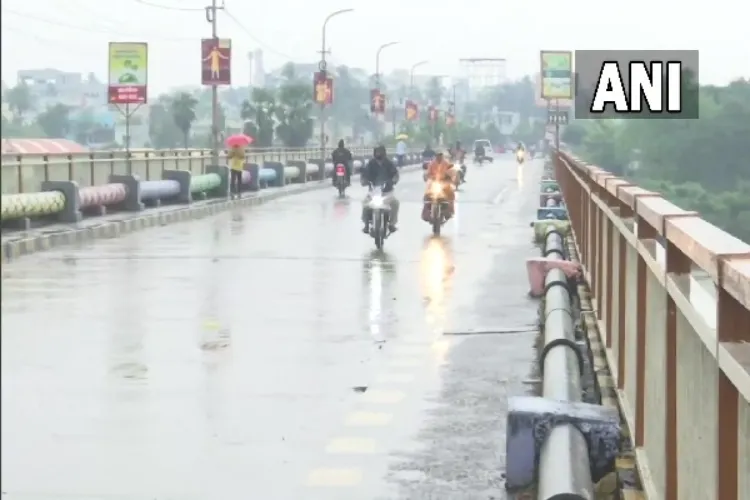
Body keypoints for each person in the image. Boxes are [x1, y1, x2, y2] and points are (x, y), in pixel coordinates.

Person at [361, 145, 400, 233]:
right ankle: (366, 224)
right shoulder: (371, 164)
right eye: (377, 152)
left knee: (395, 203)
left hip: (387, 192)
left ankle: (392, 224)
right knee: (364, 203)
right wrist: (364, 181)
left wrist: (394, 180)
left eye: (380, 152)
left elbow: (395, 174)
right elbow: (364, 175)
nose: (379, 154)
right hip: (373, 191)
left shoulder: (389, 163)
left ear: (384, 153)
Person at [423, 150, 456, 221]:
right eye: (438, 155)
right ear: (435, 156)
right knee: (426, 196)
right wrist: (427, 177)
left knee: (451, 194)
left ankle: (450, 211)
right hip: (434, 183)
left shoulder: (446, 163)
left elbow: (452, 172)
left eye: (440, 155)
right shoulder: (431, 164)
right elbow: (427, 174)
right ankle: (425, 213)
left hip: (444, 184)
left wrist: (449, 176)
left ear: (442, 156)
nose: (439, 157)